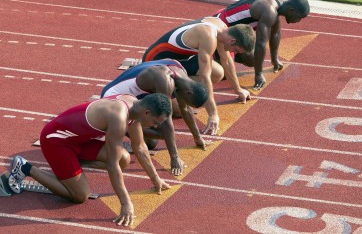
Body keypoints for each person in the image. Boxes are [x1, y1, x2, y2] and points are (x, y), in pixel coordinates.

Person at [8, 93, 172, 227]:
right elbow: (111, 165)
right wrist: (125, 204)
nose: (156, 126)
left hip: (79, 140)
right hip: (56, 141)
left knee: (125, 158)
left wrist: (156, 179)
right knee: (80, 195)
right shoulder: (119, 118)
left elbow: (141, 147)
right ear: (147, 113)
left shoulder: (135, 107)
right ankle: (25, 168)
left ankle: (69, 168)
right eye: (156, 122)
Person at [142, 17, 255, 135]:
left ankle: (176, 85)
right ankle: (164, 87)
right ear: (232, 41)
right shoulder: (209, 36)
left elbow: (227, 61)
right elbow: (204, 77)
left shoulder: (223, 30)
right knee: (178, 111)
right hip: (155, 61)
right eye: (236, 50)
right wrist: (213, 114)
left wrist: (238, 89)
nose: (234, 53)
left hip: (177, 60)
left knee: (218, 73)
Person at [101, 59, 209, 176]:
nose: (188, 105)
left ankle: (130, 131)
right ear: (189, 92)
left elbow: (185, 109)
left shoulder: (180, 72)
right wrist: (175, 158)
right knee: (160, 135)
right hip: (112, 99)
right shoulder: (165, 80)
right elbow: (167, 120)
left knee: (155, 140)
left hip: (131, 99)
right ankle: (120, 129)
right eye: (190, 102)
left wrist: (198, 138)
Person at [214, 0, 310, 89]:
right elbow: (261, 43)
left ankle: (228, 56)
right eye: (299, 17)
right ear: (291, 10)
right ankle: (214, 57)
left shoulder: (278, 2)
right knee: (222, 74)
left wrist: (274, 59)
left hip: (234, 32)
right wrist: (258, 74)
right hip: (222, 28)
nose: (298, 21)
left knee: (252, 59)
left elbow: (275, 33)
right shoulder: (269, 11)